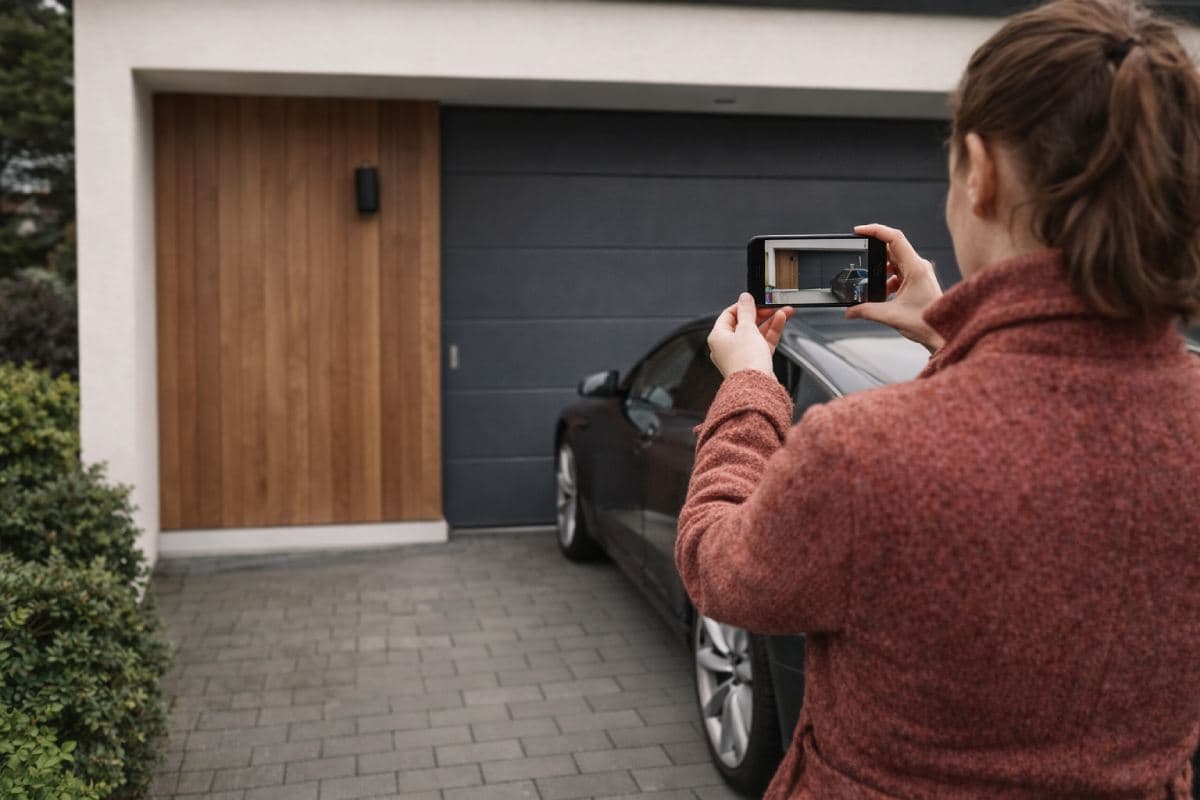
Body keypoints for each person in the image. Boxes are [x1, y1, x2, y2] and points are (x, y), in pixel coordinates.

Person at [674, 0, 1200, 797]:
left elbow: (719, 566)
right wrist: (952, 332)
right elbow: (1065, 422)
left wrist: (748, 386)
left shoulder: (861, 451)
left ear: (980, 171)